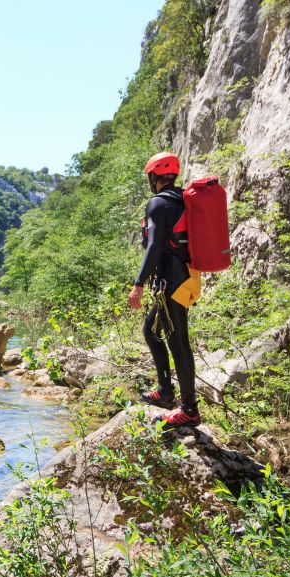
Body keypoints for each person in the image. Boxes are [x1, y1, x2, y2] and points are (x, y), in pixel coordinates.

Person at [127, 151, 200, 428]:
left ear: (155, 176)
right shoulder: (180, 200)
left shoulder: (158, 203)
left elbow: (156, 246)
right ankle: (167, 391)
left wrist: (138, 284)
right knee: (152, 330)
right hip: (182, 277)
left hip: (172, 280)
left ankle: (189, 410)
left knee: (178, 341)